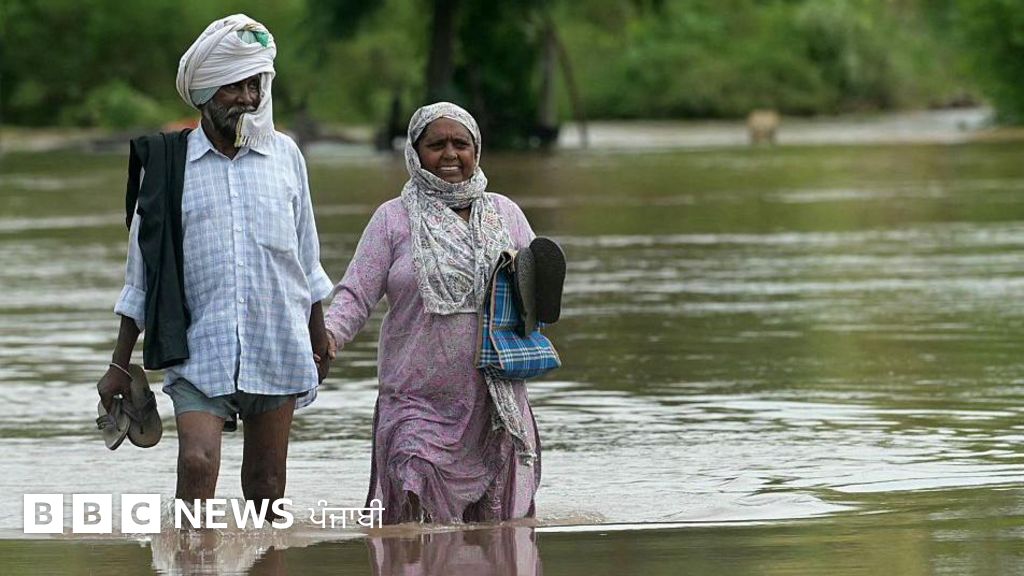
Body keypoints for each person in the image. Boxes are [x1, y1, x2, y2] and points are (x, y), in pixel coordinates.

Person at [95, 14, 334, 509]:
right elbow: (141, 276)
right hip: (199, 346)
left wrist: (318, 334)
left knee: (266, 485)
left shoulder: (286, 156)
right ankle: (191, 550)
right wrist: (119, 363)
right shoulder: (168, 166)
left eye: (254, 86)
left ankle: (265, 551)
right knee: (197, 463)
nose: (247, 98)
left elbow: (306, 258)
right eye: (233, 87)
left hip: (277, 342)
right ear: (204, 94)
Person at [325, 102, 542, 524]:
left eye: (461, 144)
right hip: (416, 399)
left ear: (476, 151)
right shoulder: (392, 219)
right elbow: (356, 293)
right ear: (415, 151)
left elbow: (538, 298)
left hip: (493, 400)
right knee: (411, 502)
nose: (449, 154)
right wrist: (328, 338)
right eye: (436, 144)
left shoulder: (506, 214)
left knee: (495, 531)